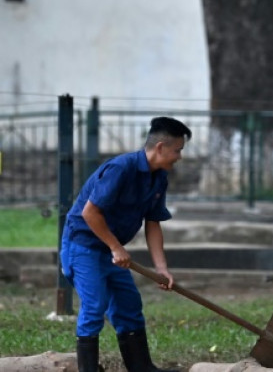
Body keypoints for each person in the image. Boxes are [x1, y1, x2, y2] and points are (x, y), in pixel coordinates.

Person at [60, 116, 191, 372]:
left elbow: (153, 222)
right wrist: (116, 247)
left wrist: (161, 268)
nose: (179, 157)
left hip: (111, 250)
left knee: (128, 305)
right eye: (178, 150)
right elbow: (90, 213)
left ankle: (141, 367)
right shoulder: (121, 169)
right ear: (161, 147)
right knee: (95, 305)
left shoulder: (159, 178)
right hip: (84, 246)